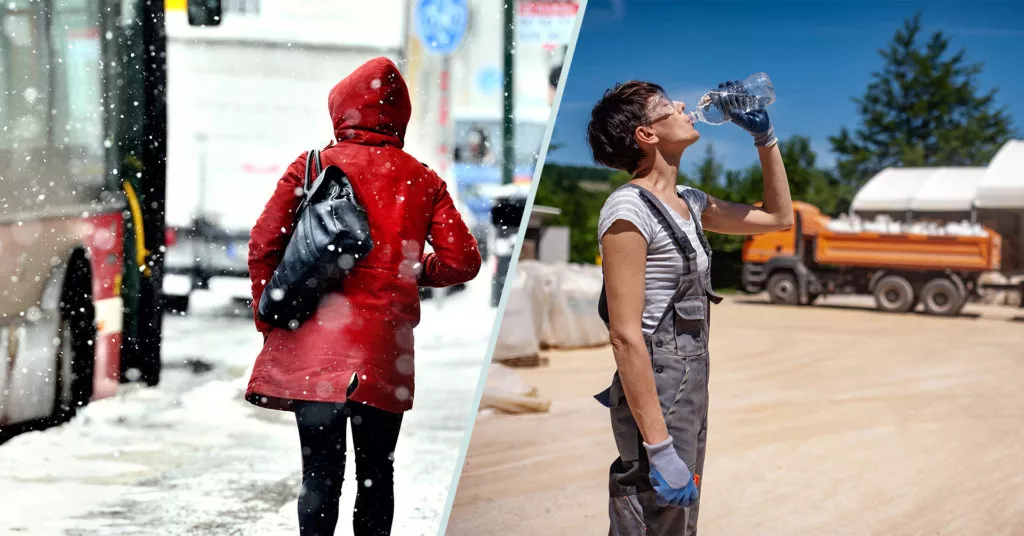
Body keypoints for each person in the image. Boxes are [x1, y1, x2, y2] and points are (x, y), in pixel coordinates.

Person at [245, 57, 482, 536]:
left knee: (319, 475)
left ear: (341, 111)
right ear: (401, 117)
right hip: (382, 353)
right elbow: (463, 261)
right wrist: (411, 270)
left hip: (312, 343)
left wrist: (267, 311)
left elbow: (263, 243)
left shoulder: (312, 167)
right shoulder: (422, 179)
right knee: (377, 476)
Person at [588, 80, 794, 535]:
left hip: (691, 380)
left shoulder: (691, 203)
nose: (684, 104)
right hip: (656, 384)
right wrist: (658, 448)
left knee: (678, 524)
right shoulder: (628, 209)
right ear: (647, 135)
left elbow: (779, 218)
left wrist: (766, 139)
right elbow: (625, 335)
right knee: (648, 518)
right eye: (667, 105)